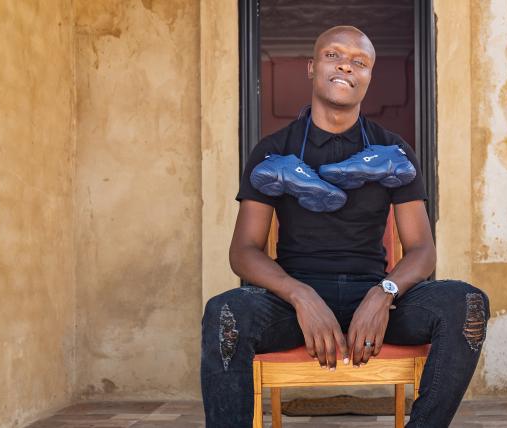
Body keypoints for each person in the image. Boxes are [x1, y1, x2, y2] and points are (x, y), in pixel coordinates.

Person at [201, 25, 490, 428]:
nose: (346, 67)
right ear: (311, 67)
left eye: (360, 62)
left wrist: (383, 294)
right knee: (225, 312)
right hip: (291, 303)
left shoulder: (395, 151)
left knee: (467, 304)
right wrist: (300, 296)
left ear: (369, 77)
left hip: (372, 294)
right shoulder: (272, 151)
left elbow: (422, 249)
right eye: (334, 56)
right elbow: (244, 250)